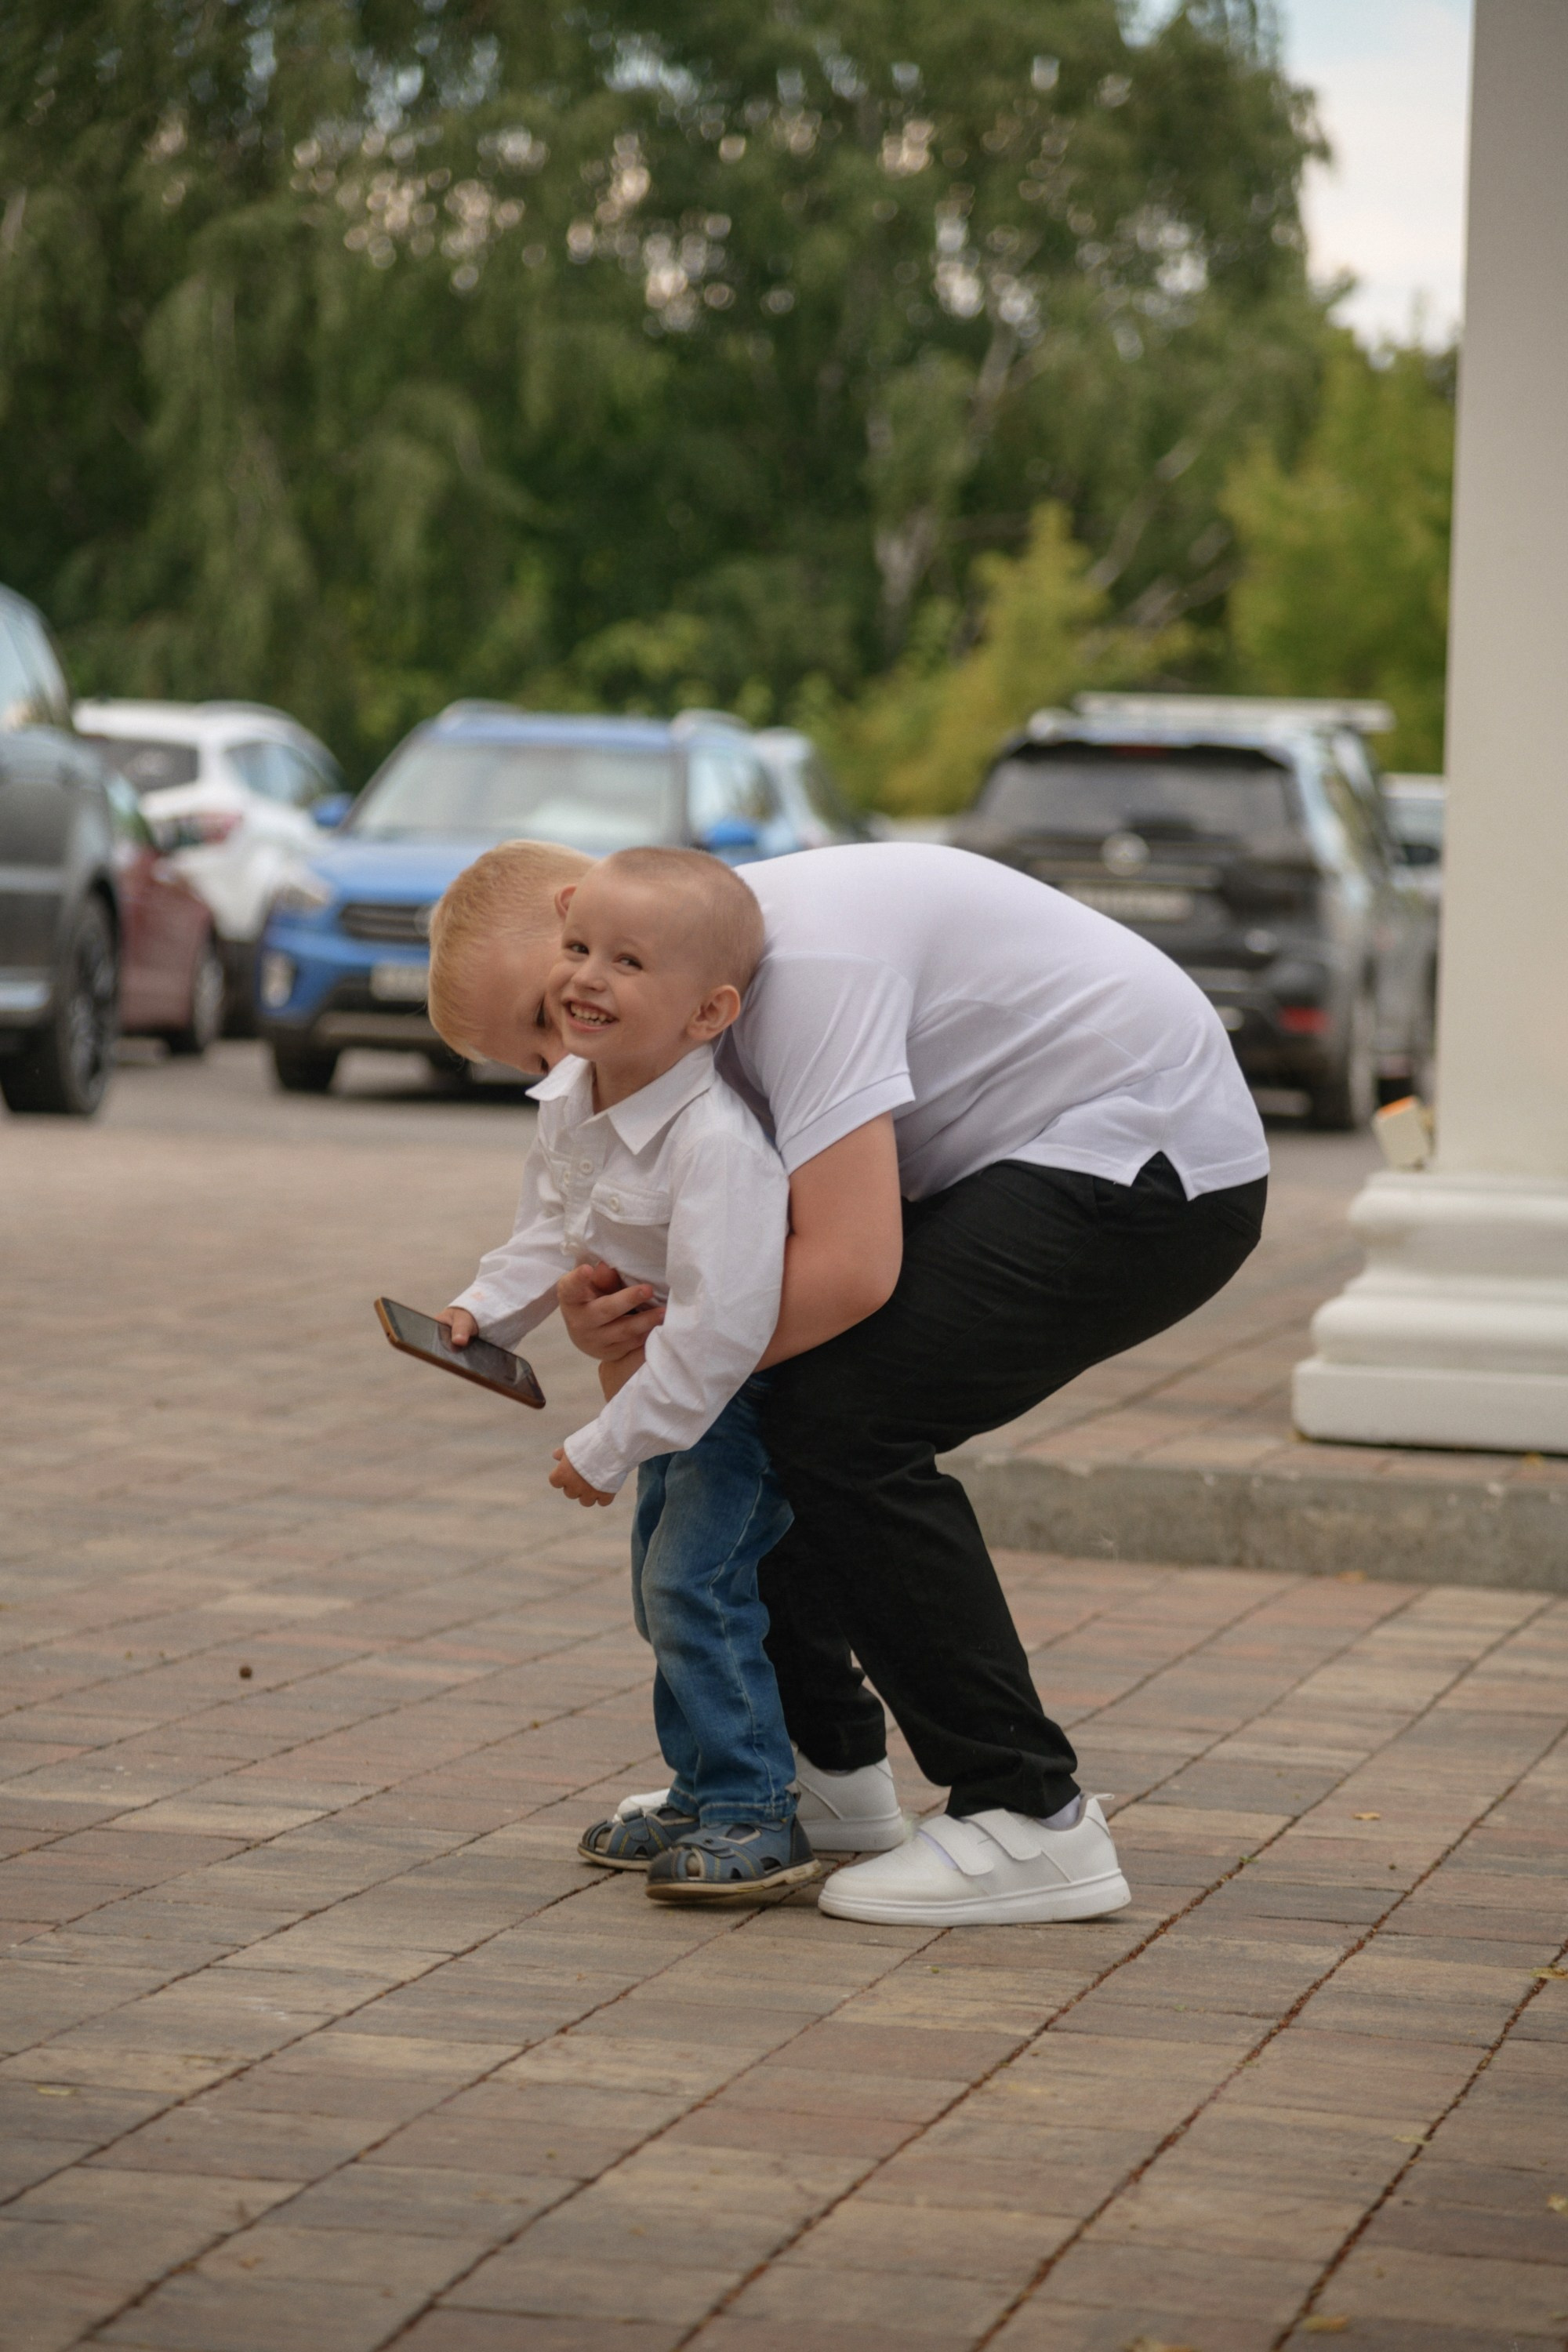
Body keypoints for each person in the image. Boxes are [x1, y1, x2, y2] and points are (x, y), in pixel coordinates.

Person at [438, 837, 1270, 1929]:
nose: (560, 1066)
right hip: (1012, 1158)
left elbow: (847, 1267)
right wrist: (622, 1331)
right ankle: (824, 1772)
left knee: (842, 1421)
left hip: (1147, 1158)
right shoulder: (687, 989)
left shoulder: (802, 974)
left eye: (548, 1019)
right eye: (528, 1056)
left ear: (578, 913)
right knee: (778, 1409)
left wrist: (650, 1381)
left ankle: (1033, 1818)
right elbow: (720, 1270)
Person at [430, 844, 820, 1902]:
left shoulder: (716, 1145)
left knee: (695, 1586)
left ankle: (755, 1810)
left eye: (629, 962)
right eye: (579, 948)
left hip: (736, 1401)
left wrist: (605, 1447)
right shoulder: (571, 1101)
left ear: (708, 1014)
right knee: (663, 1593)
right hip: (672, 1397)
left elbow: (722, 1337)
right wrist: (480, 1312)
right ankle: (697, 1792)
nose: (589, 978)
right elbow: (550, 1233)